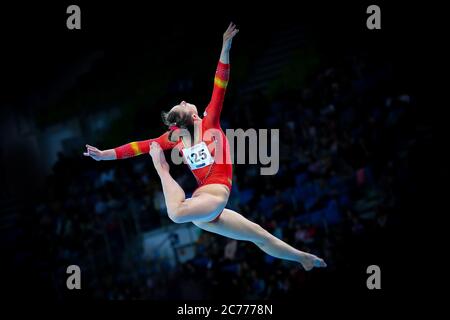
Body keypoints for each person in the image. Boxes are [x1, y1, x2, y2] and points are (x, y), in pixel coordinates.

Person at [84, 23, 326, 271]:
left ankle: (302, 258)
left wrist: (225, 46)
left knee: (259, 236)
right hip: (206, 201)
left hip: (214, 200)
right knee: (176, 213)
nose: (184, 100)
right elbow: (139, 146)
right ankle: (163, 171)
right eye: (183, 105)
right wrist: (105, 155)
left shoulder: (210, 121)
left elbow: (220, 83)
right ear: (188, 117)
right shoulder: (178, 136)